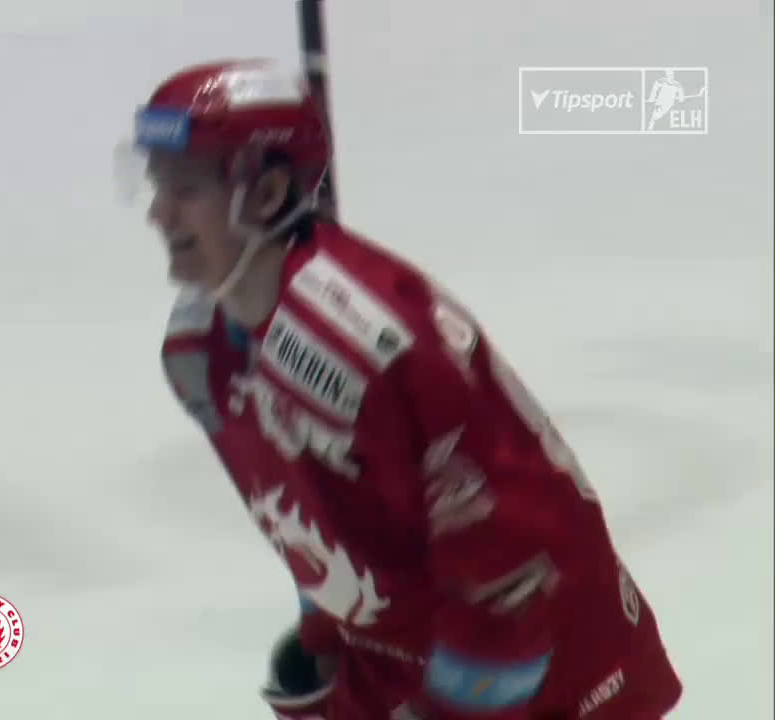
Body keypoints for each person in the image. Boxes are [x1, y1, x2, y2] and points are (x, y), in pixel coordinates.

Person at [126, 59, 683, 719]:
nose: (158, 213)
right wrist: (324, 639)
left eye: (186, 187)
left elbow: (517, 575)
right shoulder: (199, 350)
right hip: (405, 667)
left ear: (268, 194)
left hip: (551, 687)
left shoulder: (371, 347)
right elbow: (319, 518)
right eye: (156, 183)